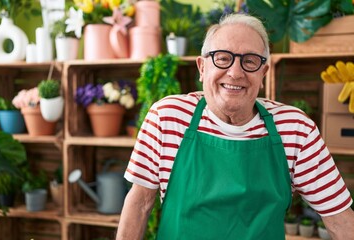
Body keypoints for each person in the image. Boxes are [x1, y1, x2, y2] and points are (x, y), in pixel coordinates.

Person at [116, 13, 354, 239]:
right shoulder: (167, 117)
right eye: (222, 57)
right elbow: (139, 204)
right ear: (202, 67)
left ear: (263, 73)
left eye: (250, 61)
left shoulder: (296, 128)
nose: (235, 72)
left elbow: (339, 219)